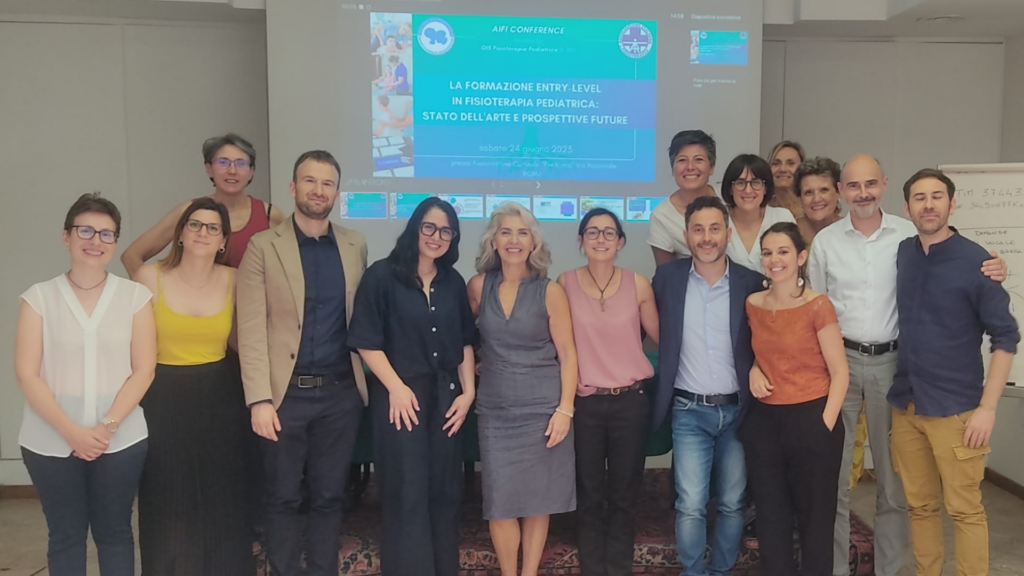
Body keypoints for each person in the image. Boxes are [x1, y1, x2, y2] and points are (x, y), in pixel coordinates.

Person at [806, 155, 1007, 576]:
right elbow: (816, 308)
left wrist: (994, 264)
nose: (863, 193)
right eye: (853, 185)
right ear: (842, 191)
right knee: (837, 478)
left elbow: (996, 323)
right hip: (848, 367)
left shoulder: (911, 237)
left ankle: (890, 569)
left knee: (902, 487)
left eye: (870, 184)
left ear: (883, 185)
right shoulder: (837, 242)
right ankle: (835, 568)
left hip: (902, 370)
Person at [237, 150, 368, 576]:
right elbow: (250, 328)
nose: (318, 190)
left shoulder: (355, 245)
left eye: (327, 183)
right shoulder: (263, 246)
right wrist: (259, 399)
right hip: (283, 397)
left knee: (330, 497)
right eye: (310, 181)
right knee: (282, 497)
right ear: (293, 188)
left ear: (337, 193)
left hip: (340, 394)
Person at [15, 193, 156, 576]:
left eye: (107, 234)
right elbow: (27, 373)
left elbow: (144, 370)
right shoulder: (39, 297)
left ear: (115, 241)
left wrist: (106, 427)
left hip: (120, 438)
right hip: (50, 439)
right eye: (86, 231)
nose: (96, 241)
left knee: (115, 533)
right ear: (66, 236)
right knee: (65, 535)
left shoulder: (135, 297)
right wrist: (71, 432)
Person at [889, 169, 1019, 576]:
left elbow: (1006, 337)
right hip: (907, 405)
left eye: (937, 196)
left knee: (965, 510)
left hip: (957, 411)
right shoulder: (904, 252)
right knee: (920, 507)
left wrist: (988, 409)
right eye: (919, 198)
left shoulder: (977, 262)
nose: (928, 205)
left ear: (952, 203)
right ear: (906, 207)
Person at [348, 198, 477, 576]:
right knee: (407, 493)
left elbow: (464, 342)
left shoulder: (453, 281)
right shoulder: (381, 276)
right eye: (429, 227)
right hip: (399, 398)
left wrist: (468, 392)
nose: (437, 237)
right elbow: (366, 341)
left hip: (446, 399)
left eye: (446, 231)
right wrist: (397, 388)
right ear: (415, 228)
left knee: (445, 493)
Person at [134, 198, 251, 576]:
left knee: (221, 501)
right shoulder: (148, 277)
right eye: (195, 224)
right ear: (181, 234)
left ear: (223, 240)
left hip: (220, 399)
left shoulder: (235, 279)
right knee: (168, 500)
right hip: (162, 399)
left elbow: (242, 343)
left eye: (213, 227)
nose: (203, 232)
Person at [650, 196, 766, 576]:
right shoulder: (667, 279)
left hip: (739, 411)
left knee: (732, 502)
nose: (706, 237)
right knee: (690, 504)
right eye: (698, 229)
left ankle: (721, 570)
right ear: (686, 235)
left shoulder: (751, 282)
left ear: (728, 234)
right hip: (688, 410)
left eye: (714, 228)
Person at [467, 202, 578, 576]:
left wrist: (565, 409)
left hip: (543, 411)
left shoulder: (550, 291)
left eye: (522, 232)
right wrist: (477, 361)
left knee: (536, 501)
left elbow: (568, 353)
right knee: (499, 502)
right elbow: (462, 339)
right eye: (506, 232)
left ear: (533, 242)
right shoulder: (478, 287)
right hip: (496, 411)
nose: (514, 240)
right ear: (493, 241)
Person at [743, 222, 849, 576]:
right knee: (771, 520)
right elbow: (766, 352)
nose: (774, 259)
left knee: (815, 523)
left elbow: (840, 372)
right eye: (768, 253)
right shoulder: (753, 303)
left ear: (801, 257)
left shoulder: (817, 305)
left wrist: (824, 426)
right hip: (766, 423)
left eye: (783, 251)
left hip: (813, 417)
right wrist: (754, 370)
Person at [557, 208, 658, 576]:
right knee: (588, 491)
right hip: (584, 403)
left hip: (630, 402)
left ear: (621, 242)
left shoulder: (638, 284)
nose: (601, 239)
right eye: (592, 232)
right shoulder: (564, 283)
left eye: (609, 232)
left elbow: (662, 338)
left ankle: (617, 568)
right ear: (581, 240)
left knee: (624, 491)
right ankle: (591, 567)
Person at [121, 133, 286, 276]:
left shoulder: (270, 215)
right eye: (223, 162)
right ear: (209, 168)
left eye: (241, 163)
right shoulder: (188, 212)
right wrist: (156, 294)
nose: (232, 171)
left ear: (251, 171)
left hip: (252, 304)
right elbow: (131, 256)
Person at [648, 130, 717, 266]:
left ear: (712, 167)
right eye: (682, 160)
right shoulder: (662, 216)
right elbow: (666, 274)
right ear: (672, 169)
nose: (690, 167)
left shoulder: (730, 198)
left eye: (698, 159)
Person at [721, 154, 797, 273]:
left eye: (756, 182)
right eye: (740, 183)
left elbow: (794, 266)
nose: (748, 190)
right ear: (730, 188)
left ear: (765, 188)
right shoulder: (717, 219)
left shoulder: (781, 217)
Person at [793, 156, 843, 245]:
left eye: (824, 190)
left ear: (839, 192)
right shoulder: (788, 234)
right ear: (800, 198)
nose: (816, 199)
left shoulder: (853, 232)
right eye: (808, 192)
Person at [767, 140, 807, 219]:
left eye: (791, 163)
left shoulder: (812, 207)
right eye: (776, 163)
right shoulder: (761, 208)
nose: (783, 169)